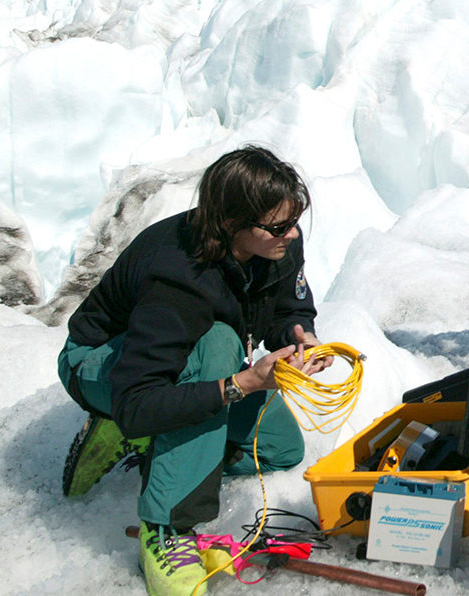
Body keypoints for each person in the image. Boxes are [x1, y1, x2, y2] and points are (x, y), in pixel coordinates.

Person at [56, 146, 332, 596]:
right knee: (217, 344)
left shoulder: (277, 245)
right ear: (230, 224)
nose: (293, 233)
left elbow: (289, 306)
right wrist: (241, 383)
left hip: (184, 367)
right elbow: (137, 400)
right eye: (279, 226)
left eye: (295, 220)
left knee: (279, 450)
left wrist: (299, 336)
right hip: (104, 367)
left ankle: (158, 445)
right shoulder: (178, 277)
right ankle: (167, 529)